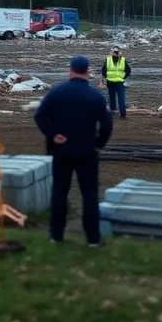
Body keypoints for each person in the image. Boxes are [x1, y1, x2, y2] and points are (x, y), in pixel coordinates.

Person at [34, 55, 113, 246]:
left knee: (59, 193)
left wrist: (53, 134)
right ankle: (93, 238)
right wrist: (99, 144)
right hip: (87, 151)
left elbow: (40, 115)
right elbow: (107, 124)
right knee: (90, 194)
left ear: (70, 70)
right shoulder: (96, 96)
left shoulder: (56, 92)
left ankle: (56, 236)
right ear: (88, 71)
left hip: (61, 150)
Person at [101, 46, 131, 118]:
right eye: (114, 52)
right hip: (111, 81)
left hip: (119, 82)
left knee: (120, 98)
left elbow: (128, 70)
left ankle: (122, 113)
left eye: (116, 52)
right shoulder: (108, 59)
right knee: (113, 97)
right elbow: (104, 70)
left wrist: (123, 77)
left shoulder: (123, 60)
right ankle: (114, 111)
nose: (115, 53)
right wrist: (106, 77)